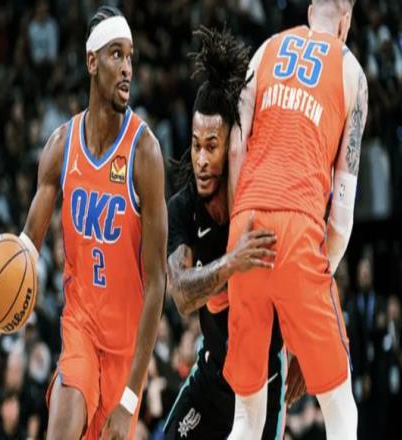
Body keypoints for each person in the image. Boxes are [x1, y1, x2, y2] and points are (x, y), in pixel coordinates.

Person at [0, 6, 167, 440]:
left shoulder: (145, 153)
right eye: (116, 54)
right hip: (80, 326)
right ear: (91, 62)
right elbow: (27, 245)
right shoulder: (62, 146)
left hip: (125, 352)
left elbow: (157, 283)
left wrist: (130, 398)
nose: (127, 68)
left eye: (131, 57)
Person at [226, 0, 369, 439]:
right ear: (345, 22)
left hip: (246, 223)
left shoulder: (266, 49)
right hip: (299, 227)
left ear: (310, 11)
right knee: (341, 411)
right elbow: (342, 212)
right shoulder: (352, 72)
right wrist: (316, 277)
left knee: (247, 417)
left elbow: (235, 148)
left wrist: (239, 230)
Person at [163, 26, 304, 439]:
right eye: (195, 145)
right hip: (211, 379)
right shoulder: (183, 208)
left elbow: (303, 266)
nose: (201, 159)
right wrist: (232, 263)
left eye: (212, 145)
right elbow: (182, 295)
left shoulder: (259, 198)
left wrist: (304, 348)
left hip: (264, 383)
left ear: (232, 147)